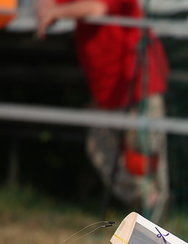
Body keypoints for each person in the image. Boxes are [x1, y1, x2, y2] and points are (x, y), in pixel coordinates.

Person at [35, 0, 170, 221]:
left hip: (137, 80)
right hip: (106, 88)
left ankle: (156, 207)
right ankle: (146, 202)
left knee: (143, 151)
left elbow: (98, 7)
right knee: (99, 146)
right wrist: (45, 8)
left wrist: (56, 12)